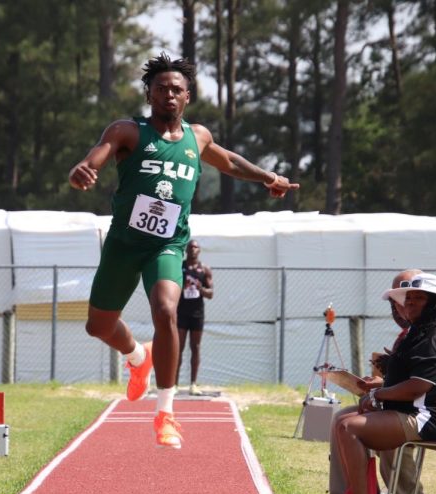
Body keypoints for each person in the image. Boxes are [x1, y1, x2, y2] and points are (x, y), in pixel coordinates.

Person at [69, 54, 298, 449]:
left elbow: (228, 161)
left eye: (176, 90)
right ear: (149, 94)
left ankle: (166, 413)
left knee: (166, 309)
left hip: (167, 244)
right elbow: (99, 153)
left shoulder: (198, 137)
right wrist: (83, 169)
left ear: (187, 96)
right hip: (125, 245)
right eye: (161, 89)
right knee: (98, 327)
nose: (169, 96)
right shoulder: (128, 131)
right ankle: (139, 357)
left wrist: (268, 177)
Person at [309, 270, 436, 494]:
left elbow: (419, 386)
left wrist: (379, 394)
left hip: (430, 417)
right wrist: (384, 386)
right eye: (407, 298)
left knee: (349, 427)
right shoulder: (421, 330)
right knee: (342, 419)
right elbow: (412, 380)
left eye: (418, 298)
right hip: (416, 410)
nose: (407, 303)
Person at [177, 239, 213, 395]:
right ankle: (174, 384)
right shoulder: (180, 267)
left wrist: (201, 288)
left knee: (195, 347)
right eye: (190, 247)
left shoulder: (204, 269)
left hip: (197, 313)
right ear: (186, 250)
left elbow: (211, 293)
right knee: (178, 348)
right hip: (182, 311)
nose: (192, 249)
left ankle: (193, 384)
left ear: (199, 250)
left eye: (195, 247)